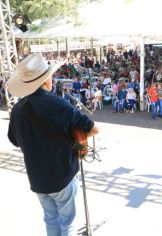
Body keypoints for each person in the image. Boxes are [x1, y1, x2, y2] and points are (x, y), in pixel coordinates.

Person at [7, 54, 99, 236]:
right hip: (62, 175)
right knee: (68, 222)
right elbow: (93, 129)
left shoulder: (18, 109)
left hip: (37, 179)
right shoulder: (57, 103)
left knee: (50, 219)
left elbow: (14, 140)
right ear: (45, 80)